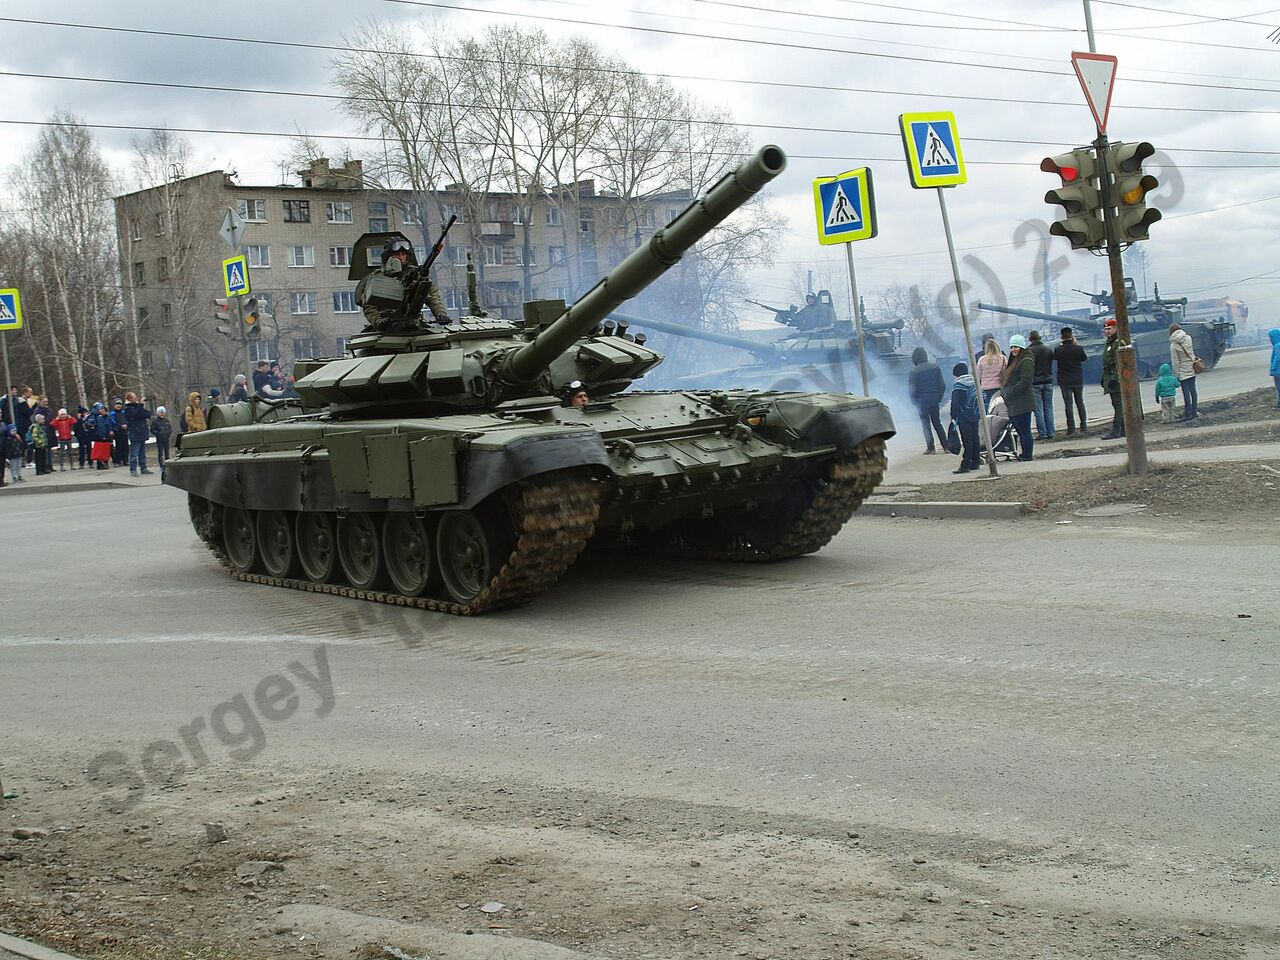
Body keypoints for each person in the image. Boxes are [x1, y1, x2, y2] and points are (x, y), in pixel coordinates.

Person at [356, 236, 451, 332]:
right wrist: (378, 321)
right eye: (397, 254)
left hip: (414, 325)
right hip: (387, 327)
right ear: (388, 257)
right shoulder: (378, 277)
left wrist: (440, 314)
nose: (401, 258)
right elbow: (369, 305)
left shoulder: (416, 274)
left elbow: (432, 296)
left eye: (403, 254)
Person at [907, 347, 948, 455]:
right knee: (937, 423)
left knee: (926, 425)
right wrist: (939, 397)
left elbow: (912, 389)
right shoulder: (935, 367)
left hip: (922, 401)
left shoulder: (914, 371)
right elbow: (942, 385)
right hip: (934, 399)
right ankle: (946, 446)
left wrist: (914, 401)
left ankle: (931, 448)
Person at [1001, 334, 1035, 461]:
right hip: (1014, 401)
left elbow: (1026, 381)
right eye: (1012, 347)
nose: (1014, 349)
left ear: (1022, 346)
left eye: (1016, 346)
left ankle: (1027, 454)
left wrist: (1011, 392)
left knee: (1025, 430)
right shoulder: (1015, 360)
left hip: (1022, 401)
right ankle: (1025, 453)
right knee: (1020, 430)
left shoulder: (1026, 360)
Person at [1053, 327, 1088, 436]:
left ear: (1061, 337)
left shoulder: (1059, 349)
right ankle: (1083, 426)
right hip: (1077, 379)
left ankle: (1071, 428)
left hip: (1065, 380)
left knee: (1068, 405)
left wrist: (1062, 345)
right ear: (1072, 336)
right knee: (1080, 403)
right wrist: (1075, 344)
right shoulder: (1079, 348)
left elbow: (1055, 358)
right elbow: (1084, 358)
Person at [949, 362, 981, 474]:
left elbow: (955, 402)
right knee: (975, 438)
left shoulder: (958, 385)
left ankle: (965, 464)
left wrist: (953, 417)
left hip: (964, 416)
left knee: (967, 441)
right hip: (975, 414)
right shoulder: (973, 381)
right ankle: (976, 462)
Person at [1026, 330, 1055, 441]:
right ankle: (1051, 432)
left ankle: (1042, 433)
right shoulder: (1048, 349)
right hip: (1047, 380)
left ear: (1030, 339)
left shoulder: (1029, 351)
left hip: (1035, 382)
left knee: (1038, 409)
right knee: (1048, 408)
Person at [1168, 322, 1199, 422]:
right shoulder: (1188, 338)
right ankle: (1194, 412)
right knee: (1193, 391)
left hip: (1183, 372)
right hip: (1191, 367)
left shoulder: (1173, 345)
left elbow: (1175, 362)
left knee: (1186, 393)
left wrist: (1175, 375)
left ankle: (1188, 414)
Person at [1101, 318, 1124, 440]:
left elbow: (1119, 362)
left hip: (1116, 379)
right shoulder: (1109, 342)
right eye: (1105, 329)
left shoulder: (1117, 342)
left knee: (1119, 405)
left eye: (1109, 329)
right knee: (1116, 404)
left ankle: (1116, 430)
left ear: (1115, 329)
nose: (1107, 331)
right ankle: (1123, 429)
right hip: (1110, 377)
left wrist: (1115, 377)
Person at [123, 392, 153, 476]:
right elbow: (135, 414)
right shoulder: (128, 408)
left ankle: (143, 467)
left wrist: (140, 411)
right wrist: (141, 406)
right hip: (135, 432)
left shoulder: (137, 407)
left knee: (142, 452)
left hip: (142, 432)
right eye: (134, 397)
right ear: (129, 399)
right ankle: (133, 469)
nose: (136, 398)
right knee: (134, 452)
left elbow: (147, 414)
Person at [976, 338, 1006, 406]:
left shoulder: (981, 359)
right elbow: (1006, 372)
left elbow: (979, 376)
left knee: (989, 406)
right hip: (999, 387)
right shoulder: (1002, 358)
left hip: (986, 388)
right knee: (999, 406)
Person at [86, 402, 115, 470]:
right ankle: (100, 464)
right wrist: (103, 436)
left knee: (98, 450)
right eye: (101, 408)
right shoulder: (99, 417)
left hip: (95, 435)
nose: (102, 410)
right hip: (99, 436)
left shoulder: (92, 416)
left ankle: (100, 463)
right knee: (101, 450)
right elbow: (101, 427)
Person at [151, 406, 173, 481]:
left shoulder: (167, 421)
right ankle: (161, 465)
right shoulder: (155, 421)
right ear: (158, 413)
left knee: (167, 452)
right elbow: (152, 430)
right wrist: (158, 433)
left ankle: (167, 464)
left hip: (166, 438)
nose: (162, 414)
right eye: (161, 413)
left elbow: (170, 428)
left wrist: (169, 433)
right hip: (160, 439)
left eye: (163, 413)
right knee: (160, 452)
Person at [109, 398, 129, 466]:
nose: (118, 406)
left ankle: (125, 460)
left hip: (124, 431)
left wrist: (126, 424)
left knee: (125, 446)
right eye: (117, 404)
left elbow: (127, 419)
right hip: (117, 431)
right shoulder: (112, 413)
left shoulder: (123, 412)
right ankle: (118, 461)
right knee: (118, 446)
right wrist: (120, 426)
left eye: (120, 404)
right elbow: (113, 421)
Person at [1270, 328, 1280, 408]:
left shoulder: (1277, 345)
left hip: (1278, 371)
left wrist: (1273, 368)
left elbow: (1278, 357)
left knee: (1278, 387)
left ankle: (1279, 404)